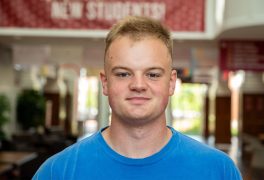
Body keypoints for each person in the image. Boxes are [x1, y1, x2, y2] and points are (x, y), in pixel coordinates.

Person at [33, 16, 242, 180]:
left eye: (152, 74)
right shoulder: (57, 172)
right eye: (123, 74)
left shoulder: (218, 170)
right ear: (105, 83)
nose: (138, 85)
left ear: (171, 83)